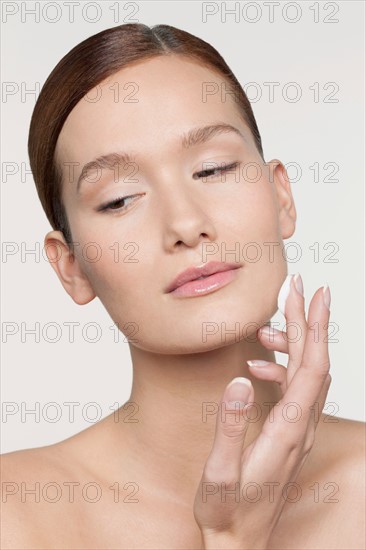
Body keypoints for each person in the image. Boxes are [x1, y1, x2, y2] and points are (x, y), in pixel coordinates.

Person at [1, 23, 364, 550]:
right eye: (119, 199)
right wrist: (233, 539)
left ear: (281, 196)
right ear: (71, 267)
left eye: (213, 168)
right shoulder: (18, 514)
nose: (185, 225)